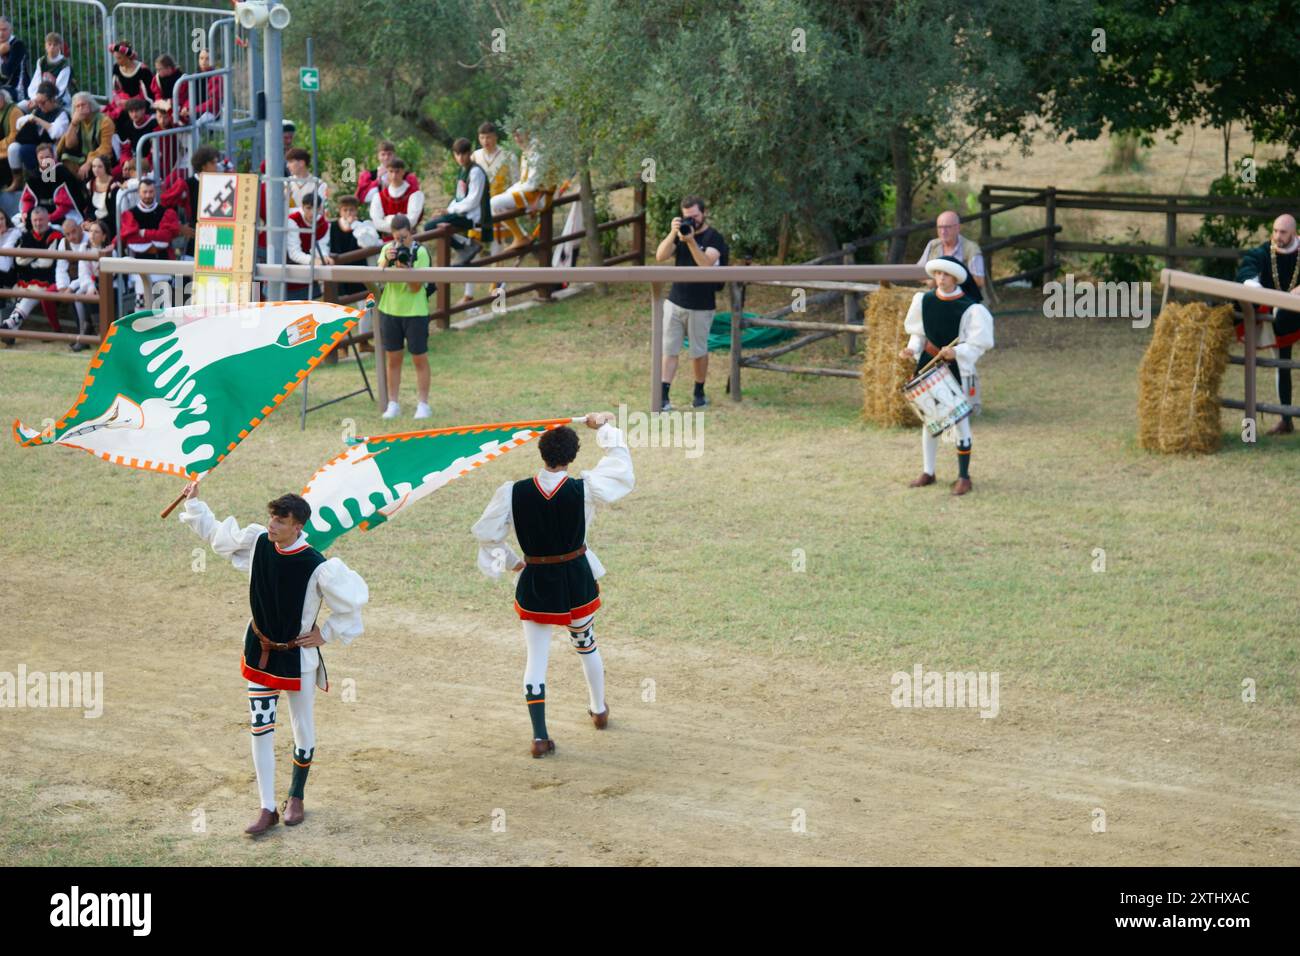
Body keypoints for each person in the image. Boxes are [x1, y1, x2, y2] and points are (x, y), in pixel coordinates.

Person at [177, 483, 369, 835]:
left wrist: (325, 633)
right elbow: (218, 537)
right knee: (260, 728)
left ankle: (295, 795)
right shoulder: (258, 543)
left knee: (302, 727)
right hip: (261, 656)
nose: (272, 525)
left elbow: (352, 603)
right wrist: (196, 504)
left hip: (298, 660)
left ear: (298, 526)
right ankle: (267, 807)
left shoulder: (317, 565)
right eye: (272, 518)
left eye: (280, 521)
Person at [472, 412, 635, 758]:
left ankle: (539, 737)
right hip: (576, 579)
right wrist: (603, 427)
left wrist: (515, 564)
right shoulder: (585, 489)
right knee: (586, 644)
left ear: (542, 454)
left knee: (536, 659)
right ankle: (599, 710)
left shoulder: (512, 492)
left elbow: (487, 537)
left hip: (536, 582)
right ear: (572, 457)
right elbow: (620, 465)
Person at [899, 256, 995, 496]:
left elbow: (978, 344)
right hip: (927, 366)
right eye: (938, 274)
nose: (941, 279)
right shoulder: (925, 300)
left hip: (956, 370)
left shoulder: (971, 308)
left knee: (960, 422)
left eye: (946, 275)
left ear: (955, 278)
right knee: (931, 421)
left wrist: (957, 352)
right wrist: (912, 348)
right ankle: (928, 472)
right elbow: (919, 334)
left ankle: (964, 477)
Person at [655, 195, 728, 409]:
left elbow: (706, 264)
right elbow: (660, 256)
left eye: (695, 216)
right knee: (669, 350)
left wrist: (692, 241)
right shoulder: (680, 234)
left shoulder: (715, 238)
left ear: (703, 214)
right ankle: (663, 396)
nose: (691, 221)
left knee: (698, 352)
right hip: (676, 301)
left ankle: (699, 393)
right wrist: (673, 233)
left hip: (702, 305)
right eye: (687, 217)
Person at [1237, 213, 1300, 435]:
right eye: (1274, 231)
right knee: (1283, 363)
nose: (1277, 236)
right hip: (1284, 319)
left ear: (1294, 232)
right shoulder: (1264, 252)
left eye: (1282, 232)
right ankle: (1286, 420)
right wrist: (1254, 286)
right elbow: (1247, 269)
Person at [376, 214, 432, 419]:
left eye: (405, 238)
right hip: (390, 310)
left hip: (415, 311)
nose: (401, 242)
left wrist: (406, 269)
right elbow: (377, 274)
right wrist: (388, 260)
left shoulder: (421, 252)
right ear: (391, 235)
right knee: (393, 358)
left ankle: (423, 404)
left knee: (419, 358)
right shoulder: (386, 249)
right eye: (397, 238)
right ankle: (393, 403)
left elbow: (417, 287)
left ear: (411, 233)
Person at [465, 122, 517, 301]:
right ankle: (468, 293)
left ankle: (496, 291)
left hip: (498, 209)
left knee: (497, 251)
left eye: (488, 137)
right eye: (482, 137)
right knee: (473, 250)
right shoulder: (475, 157)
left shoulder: (507, 156)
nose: (485, 141)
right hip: (477, 210)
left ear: (495, 137)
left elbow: (515, 184)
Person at [423, 137, 491, 269]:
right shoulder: (463, 171)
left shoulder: (475, 172)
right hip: (462, 213)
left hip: (473, 216)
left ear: (469, 153)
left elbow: (473, 200)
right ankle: (465, 246)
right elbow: (459, 197)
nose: (461, 158)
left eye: (464, 154)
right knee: (434, 223)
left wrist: (450, 211)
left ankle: (465, 247)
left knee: (429, 227)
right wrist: (446, 210)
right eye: (457, 154)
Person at [1, 204, 64, 342]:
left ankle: (10, 325)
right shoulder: (26, 235)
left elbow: (46, 263)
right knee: (20, 295)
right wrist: (37, 257)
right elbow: (19, 260)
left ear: (48, 219)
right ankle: (10, 331)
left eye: (41, 220)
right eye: (35, 220)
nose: (38, 223)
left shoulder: (55, 235)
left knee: (31, 295)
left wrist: (30, 259)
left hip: (47, 281)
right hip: (25, 280)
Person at [119, 176, 180, 307]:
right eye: (144, 192)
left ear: (155, 192)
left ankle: (165, 328)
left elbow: (166, 238)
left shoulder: (165, 212)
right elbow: (132, 241)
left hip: (162, 264)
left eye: (151, 192)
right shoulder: (131, 214)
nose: (148, 195)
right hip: (140, 267)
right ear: (138, 193)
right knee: (141, 307)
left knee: (165, 306)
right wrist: (155, 240)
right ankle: (141, 328)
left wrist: (144, 233)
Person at [489, 128, 546, 254]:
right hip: (531, 192)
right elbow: (523, 181)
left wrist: (510, 193)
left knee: (494, 204)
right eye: (515, 136)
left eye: (520, 135)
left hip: (539, 196)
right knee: (495, 204)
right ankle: (521, 236)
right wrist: (509, 192)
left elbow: (532, 184)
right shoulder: (527, 152)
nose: (517, 139)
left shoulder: (537, 152)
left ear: (528, 133)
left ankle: (521, 236)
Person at [6, 81, 68, 189]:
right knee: (15, 148)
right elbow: (18, 124)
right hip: (37, 145)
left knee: (45, 154)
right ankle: (20, 180)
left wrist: (38, 120)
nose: (40, 105)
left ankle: (48, 184)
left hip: (52, 147)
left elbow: (56, 133)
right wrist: (31, 113)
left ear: (52, 99)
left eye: (43, 102)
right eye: (38, 102)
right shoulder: (38, 110)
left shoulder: (61, 113)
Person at [917, 210, 987, 301]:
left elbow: (979, 281)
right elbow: (918, 272)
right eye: (940, 227)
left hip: (965, 298)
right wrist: (930, 280)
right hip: (936, 297)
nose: (943, 231)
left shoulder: (971, 249)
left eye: (947, 227)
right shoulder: (933, 245)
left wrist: (948, 282)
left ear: (958, 228)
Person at [19, 141, 89, 228]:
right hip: (39, 213)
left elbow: (65, 205)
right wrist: (25, 213)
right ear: (37, 158)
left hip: (61, 214)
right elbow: (28, 199)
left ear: (53, 157)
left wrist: (49, 218)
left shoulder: (61, 173)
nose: (45, 161)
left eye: (47, 157)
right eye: (41, 158)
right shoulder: (34, 175)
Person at [56, 92, 114, 179]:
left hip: (100, 157)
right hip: (82, 156)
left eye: (83, 105)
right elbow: (69, 145)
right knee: (65, 155)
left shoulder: (104, 121)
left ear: (90, 106)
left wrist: (89, 162)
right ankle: (76, 186)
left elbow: (106, 148)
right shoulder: (77, 121)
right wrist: (73, 123)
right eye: (77, 106)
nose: (80, 109)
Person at [54, 216, 92, 350]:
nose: (71, 236)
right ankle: (82, 333)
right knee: (71, 297)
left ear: (79, 228)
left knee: (77, 296)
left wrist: (70, 287)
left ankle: (84, 335)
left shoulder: (90, 239)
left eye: (74, 231)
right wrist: (62, 287)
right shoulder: (63, 243)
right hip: (73, 281)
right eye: (67, 234)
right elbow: (61, 267)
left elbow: (85, 270)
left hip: (90, 279)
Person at [285, 191, 329, 300]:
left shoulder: (323, 224)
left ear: (319, 208)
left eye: (315, 209)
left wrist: (324, 258)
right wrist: (313, 260)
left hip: (305, 266)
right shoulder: (293, 220)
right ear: (303, 207)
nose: (311, 212)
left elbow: (322, 246)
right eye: (308, 208)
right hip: (286, 264)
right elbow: (294, 253)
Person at [368, 156, 423, 238]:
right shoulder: (379, 196)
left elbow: (412, 221)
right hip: (386, 244)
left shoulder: (414, 194)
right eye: (391, 171)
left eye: (397, 172)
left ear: (403, 172)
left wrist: (388, 219)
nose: (394, 175)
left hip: (409, 240)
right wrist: (401, 220)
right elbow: (377, 223)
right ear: (387, 172)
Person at [22, 32, 71, 111]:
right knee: (19, 107)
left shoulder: (64, 64)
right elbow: (35, 83)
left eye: (55, 45)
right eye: (49, 44)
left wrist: (42, 100)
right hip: (39, 97)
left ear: (60, 46)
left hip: (57, 100)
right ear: (45, 45)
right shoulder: (41, 61)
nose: (52, 47)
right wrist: (35, 98)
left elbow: (60, 89)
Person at [106, 42, 151, 119]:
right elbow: (116, 88)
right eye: (116, 58)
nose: (117, 61)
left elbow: (149, 94)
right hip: (121, 103)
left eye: (119, 58)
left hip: (139, 105)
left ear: (128, 57)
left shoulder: (143, 70)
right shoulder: (116, 67)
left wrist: (129, 102)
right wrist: (119, 100)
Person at [0, 17, 30, 104]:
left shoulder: (17, 45)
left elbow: (6, 72)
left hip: (16, 89)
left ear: (11, 30)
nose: (1, 33)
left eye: (4, 30)